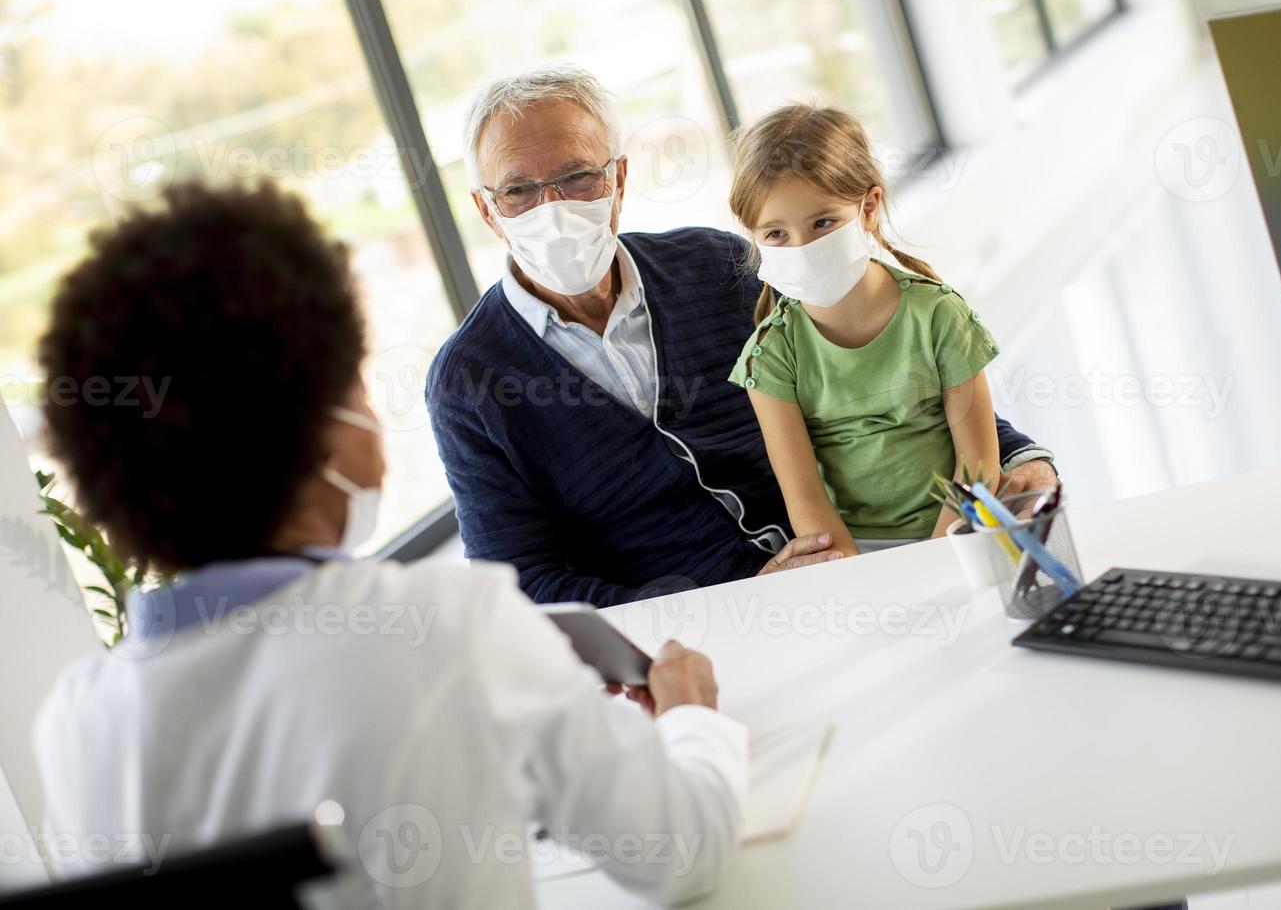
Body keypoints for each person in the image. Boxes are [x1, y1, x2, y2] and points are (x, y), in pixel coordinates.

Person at [31, 182, 746, 908]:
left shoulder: (75, 723)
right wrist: (691, 717)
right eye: (359, 380)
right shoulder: (452, 628)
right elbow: (682, 854)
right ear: (322, 425)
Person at [426, 65, 1061, 606]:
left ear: (618, 179)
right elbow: (520, 589)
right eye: (518, 190)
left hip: (857, 560)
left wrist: (1016, 456)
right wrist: (722, 601)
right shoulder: (468, 381)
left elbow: (886, 376)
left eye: (578, 178)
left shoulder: (715, 266)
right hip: (699, 636)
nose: (553, 207)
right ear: (486, 209)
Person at [728, 105, 1001, 557]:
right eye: (776, 234)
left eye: (823, 223)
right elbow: (806, 502)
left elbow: (978, 468)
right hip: (851, 554)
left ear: (868, 208)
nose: (804, 248)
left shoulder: (938, 316)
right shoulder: (770, 357)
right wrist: (864, 580)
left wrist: (938, 559)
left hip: (962, 534)